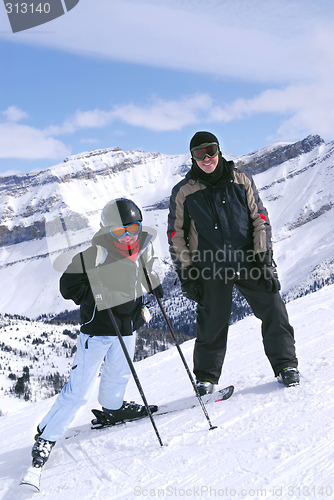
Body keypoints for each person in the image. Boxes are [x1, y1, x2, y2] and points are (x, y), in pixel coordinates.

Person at [31, 198, 163, 468]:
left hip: (128, 326)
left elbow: (146, 274)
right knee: (79, 390)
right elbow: (67, 285)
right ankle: (47, 435)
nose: (128, 235)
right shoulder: (93, 255)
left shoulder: (142, 250)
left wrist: (153, 283)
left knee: (118, 375)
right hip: (99, 330)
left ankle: (113, 409)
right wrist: (94, 294)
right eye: (119, 230)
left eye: (133, 228)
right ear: (107, 230)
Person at [167, 131, 299, 396]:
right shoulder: (184, 191)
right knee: (211, 323)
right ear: (192, 157)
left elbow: (260, 218)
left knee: (273, 308)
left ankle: (286, 365)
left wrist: (264, 258)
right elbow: (175, 235)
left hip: (248, 259)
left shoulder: (241, 180)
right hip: (210, 265)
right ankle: (206, 378)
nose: (206, 158)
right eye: (199, 154)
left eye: (210, 151)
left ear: (219, 151)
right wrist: (187, 274)